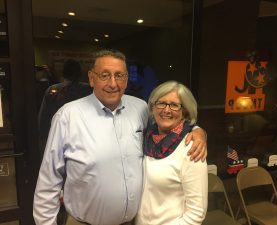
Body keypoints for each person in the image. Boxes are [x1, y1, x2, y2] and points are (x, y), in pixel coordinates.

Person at [33, 49, 207, 225]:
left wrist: (199, 132)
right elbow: (49, 181)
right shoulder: (68, 117)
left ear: (126, 79)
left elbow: (168, 123)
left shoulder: (140, 109)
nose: (113, 83)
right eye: (104, 75)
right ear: (91, 78)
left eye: (119, 75)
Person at [135, 81, 208, 225]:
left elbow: (196, 213)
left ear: (185, 111)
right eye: (161, 103)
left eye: (174, 105)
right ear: (153, 107)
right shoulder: (145, 137)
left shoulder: (192, 148)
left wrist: (199, 132)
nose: (166, 110)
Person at [38, 59, 92, 158]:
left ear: (63, 73)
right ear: (80, 73)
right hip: (85, 138)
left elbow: (43, 119)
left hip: (58, 138)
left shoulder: (52, 90)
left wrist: (44, 140)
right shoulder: (89, 89)